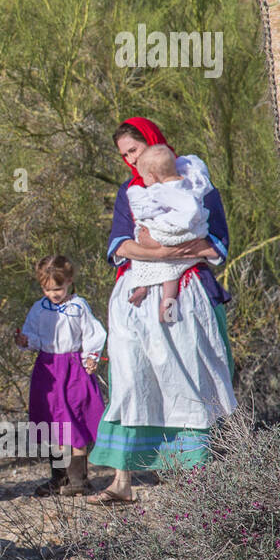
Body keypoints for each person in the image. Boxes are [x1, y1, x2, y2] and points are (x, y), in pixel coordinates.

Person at [87, 117, 237, 505]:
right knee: (130, 379)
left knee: (187, 379)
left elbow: (214, 244)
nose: (130, 161)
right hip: (134, 295)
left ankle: (195, 481)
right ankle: (122, 480)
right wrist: (166, 251)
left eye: (134, 151)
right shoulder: (130, 192)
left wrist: (168, 251)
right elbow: (119, 246)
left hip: (186, 294)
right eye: (124, 155)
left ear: (151, 144)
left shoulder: (197, 186)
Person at [15, 255, 106, 495]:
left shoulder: (78, 306)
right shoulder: (40, 308)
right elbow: (32, 336)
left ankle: (79, 479)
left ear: (69, 281)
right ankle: (58, 477)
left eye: (58, 288)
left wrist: (91, 356)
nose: (53, 294)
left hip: (73, 367)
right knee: (50, 422)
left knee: (74, 418)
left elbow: (93, 333)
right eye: (47, 289)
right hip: (48, 368)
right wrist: (25, 340)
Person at [124, 144, 214, 323]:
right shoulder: (188, 183)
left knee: (154, 257)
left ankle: (154, 295)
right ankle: (164, 300)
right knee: (171, 275)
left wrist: (159, 225)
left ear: (152, 176)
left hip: (175, 233)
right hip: (189, 235)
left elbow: (184, 211)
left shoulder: (161, 190)